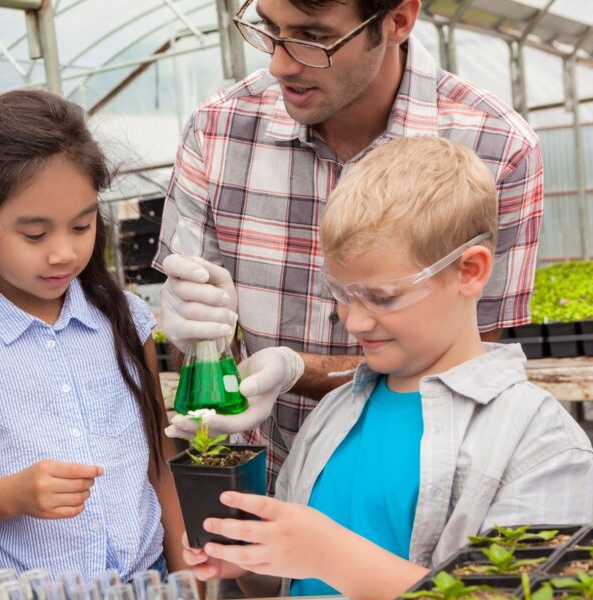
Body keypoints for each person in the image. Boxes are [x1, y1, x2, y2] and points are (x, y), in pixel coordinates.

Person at [181, 136, 592, 600]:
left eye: (382, 297)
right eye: (341, 293)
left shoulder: (537, 443)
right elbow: (286, 587)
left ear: (470, 271)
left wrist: (333, 556)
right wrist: (251, 561)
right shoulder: (333, 416)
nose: (354, 321)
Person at [155, 0, 543, 485]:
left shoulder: (496, 147)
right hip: (261, 482)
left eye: (313, 38)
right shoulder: (217, 131)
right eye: (270, 29)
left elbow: (466, 364)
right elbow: (197, 331)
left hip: (416, 488)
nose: (279, 63)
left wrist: (299, 371)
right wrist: (191, 328)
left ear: (398, 20)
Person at [0, 90, 186, 581]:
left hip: (149, 587)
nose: (63, 253)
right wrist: (13, 496)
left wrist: (188, 582)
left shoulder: (124, 318)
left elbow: (161, 462)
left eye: (82, 225)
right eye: (35, 235)